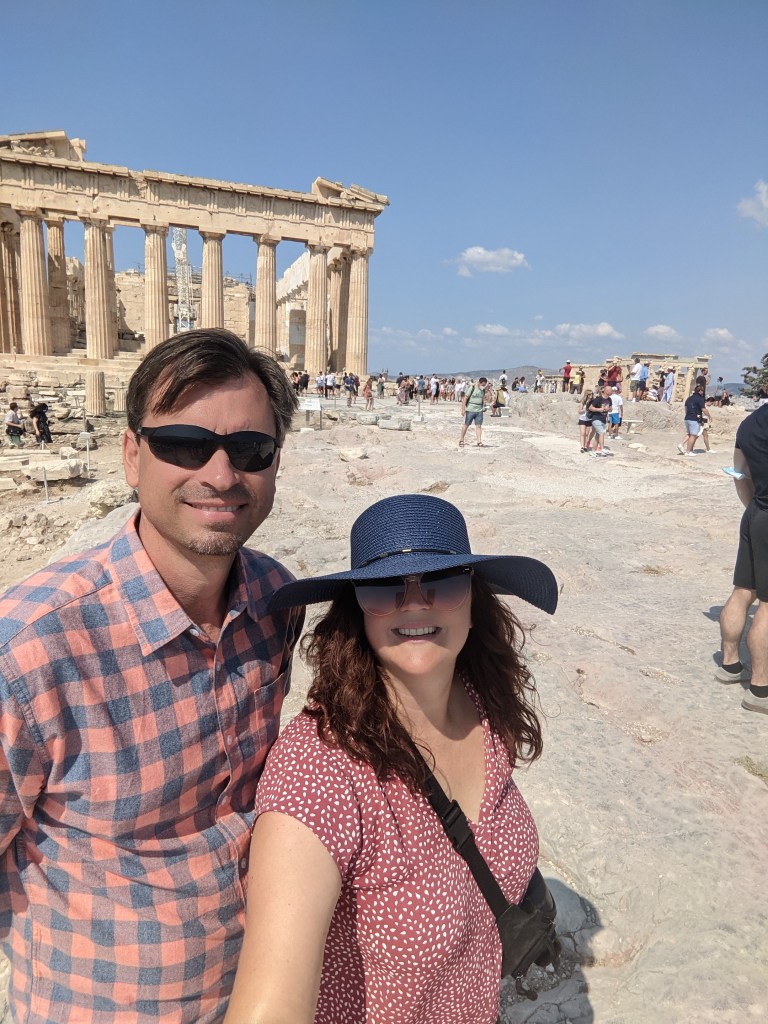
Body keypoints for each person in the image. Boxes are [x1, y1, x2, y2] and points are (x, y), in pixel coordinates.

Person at [0, 328, 305, 1022]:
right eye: (185, 445)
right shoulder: (30, 650)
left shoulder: (276, 604)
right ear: (133, 455)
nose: (222, 476)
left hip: (256, 994)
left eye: (250, 451)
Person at [223, 493, 558, 1024]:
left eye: (442, 583)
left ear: (475, 599)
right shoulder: (322, 769)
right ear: (357, 610)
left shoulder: (484, 706)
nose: (415, 604)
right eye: (386, 589)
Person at [716, 402, 768, 715]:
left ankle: (729, 665)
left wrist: (754, 510)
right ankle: (760, 689)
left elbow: (738, 473)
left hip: (756, 513)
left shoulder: (751, 422)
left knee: (743, 590)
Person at [459, 376, 489, 447]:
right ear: (479, 383)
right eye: (482, 385)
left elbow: (482, 399)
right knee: (466, 425)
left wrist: (484, 405)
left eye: (484, 385)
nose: (483, 386)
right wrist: (463, 409)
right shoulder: (472, 388)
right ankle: (461, 439)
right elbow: (465, 398)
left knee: (478, 426)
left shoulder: (482, 390)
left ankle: (479, 441)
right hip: (470, 409)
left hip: (479, 410)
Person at [677, 384, 706, 456]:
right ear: (700, 391)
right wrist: (709, 416)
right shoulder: (700, 399)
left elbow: (686, 408)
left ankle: (681, 444)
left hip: (687, 418)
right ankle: (688, 451)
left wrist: (688, 414)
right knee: (693, 435)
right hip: (694, 419)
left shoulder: (689, 398)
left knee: (689, 434)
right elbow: (703, 409)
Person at [587, 386, 612, 457]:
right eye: (610, 390)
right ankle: (602, 448)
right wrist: (599, 409)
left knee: (598, 436)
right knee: (602, 432)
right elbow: (590, 408)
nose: (611, 392)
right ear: (606, 391)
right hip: (596, 418)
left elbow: (610, 408)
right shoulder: (598, 399)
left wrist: (609, 409)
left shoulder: (610, 399)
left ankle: (593, 451)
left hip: (603, 419)